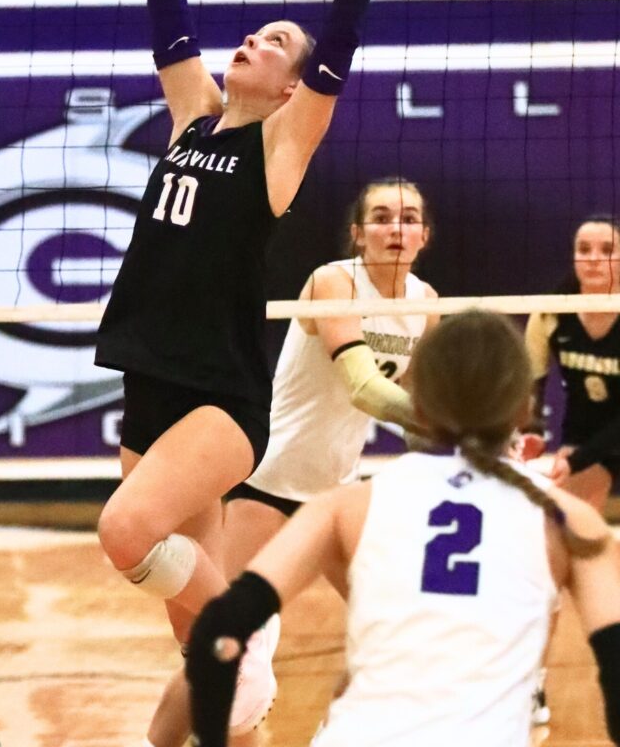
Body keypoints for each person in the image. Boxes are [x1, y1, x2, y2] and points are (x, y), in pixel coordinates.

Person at [93, 0, 404, 738]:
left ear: (293, 84)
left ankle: (251, 636)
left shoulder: (282, 146)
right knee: (195, 662)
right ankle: (237, 691)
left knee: (124, 535)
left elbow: (343, 28)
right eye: (257, 33)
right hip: (148, 380)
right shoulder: (194, 115)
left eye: (277, 43)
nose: (256, 43)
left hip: (217, 398)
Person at [186, 309, 620, 747]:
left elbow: (218, 631)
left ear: (421, 404)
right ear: (524, 407)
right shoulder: (569, 521)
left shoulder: (345, 506)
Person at [144, 177, 435, 747]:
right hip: (269, 483)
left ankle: (338, 734)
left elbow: (413, 418)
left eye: (407, 218)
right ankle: (158, 742)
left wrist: (473, 452)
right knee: (226, 637)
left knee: (392, 628)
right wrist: (468, 427)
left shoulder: (427, 304)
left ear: (424, 235)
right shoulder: (334, 281)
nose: (394, 229)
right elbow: (368, 392)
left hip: (337, 494)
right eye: (380, 217)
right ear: (358, 233)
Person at [526, 215, 620, 512]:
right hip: (583, 436)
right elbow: (533, 385)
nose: (593, 259)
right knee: (566, 526)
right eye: (584, 249)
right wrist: (533, 431)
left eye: (607, 250)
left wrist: (576, 460)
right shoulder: (550, 313)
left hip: (592, 446)